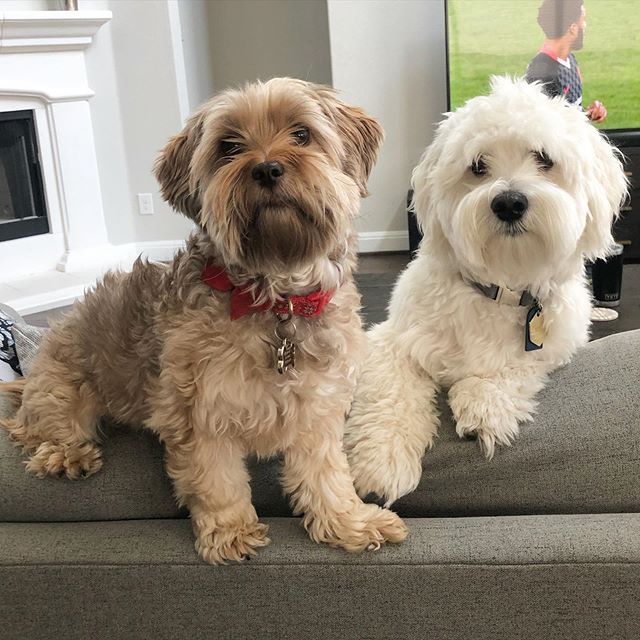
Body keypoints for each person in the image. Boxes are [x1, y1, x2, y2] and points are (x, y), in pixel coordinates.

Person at [526, 0, 607, 123]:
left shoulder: (570, 60)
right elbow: (551, 127)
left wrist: (589, 114)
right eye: (583, 20)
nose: (585, 25)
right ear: (573, 28)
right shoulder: (542, 72)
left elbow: (568, 114)